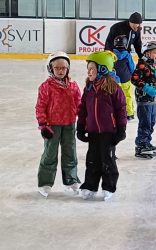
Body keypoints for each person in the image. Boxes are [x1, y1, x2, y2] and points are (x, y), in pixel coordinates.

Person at [77, 51, 127, 201]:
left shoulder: (114, 88)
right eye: (88, 68)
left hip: (108, 132)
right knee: (92, 159)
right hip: (93, 131)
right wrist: (80, 126)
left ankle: (108, 186)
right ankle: (90, 186)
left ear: (103, 70)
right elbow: (83, 109)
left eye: (92, 68)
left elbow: (121, 109)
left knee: (107, 160)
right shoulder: (89, 88)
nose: (88, 71)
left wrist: (121, 129)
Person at [35, 51, 81, 198]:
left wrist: (85, 120)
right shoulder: (46, 86)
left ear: (68, 69)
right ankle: (45, 183)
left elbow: (79, 104)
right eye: (57, 68)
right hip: (52, 126)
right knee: (50, 154)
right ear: (51, 69)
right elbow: (40, 106)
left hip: (69, 124)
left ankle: (71, 181)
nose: (61, 71)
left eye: (63, 68)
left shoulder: (73, 86)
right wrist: (43, 125)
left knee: (70, 153)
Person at [113, 35, 135, 121]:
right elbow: (132, 67)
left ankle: (116, 113)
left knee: (116, 96)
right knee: (127, 96)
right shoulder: (127, 55)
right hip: (126, 78)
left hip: (115, 79)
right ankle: (129, 113)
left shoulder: (112, 54)